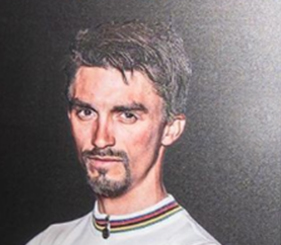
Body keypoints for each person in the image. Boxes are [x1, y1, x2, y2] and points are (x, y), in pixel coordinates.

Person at [27, 21, 218, 245]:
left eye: (127, 116)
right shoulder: (48, 241)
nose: (100, 139)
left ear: (170, 129)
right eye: (87, 112)